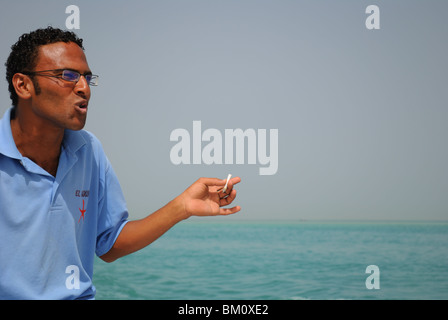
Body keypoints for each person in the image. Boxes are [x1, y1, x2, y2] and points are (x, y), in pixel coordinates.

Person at [0, 26, 241, 300]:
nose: (83, 88)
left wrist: (182, 207)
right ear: (23, 85)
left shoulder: (89, 150)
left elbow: (109, 245)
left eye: (86, 78)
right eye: (67, 76)